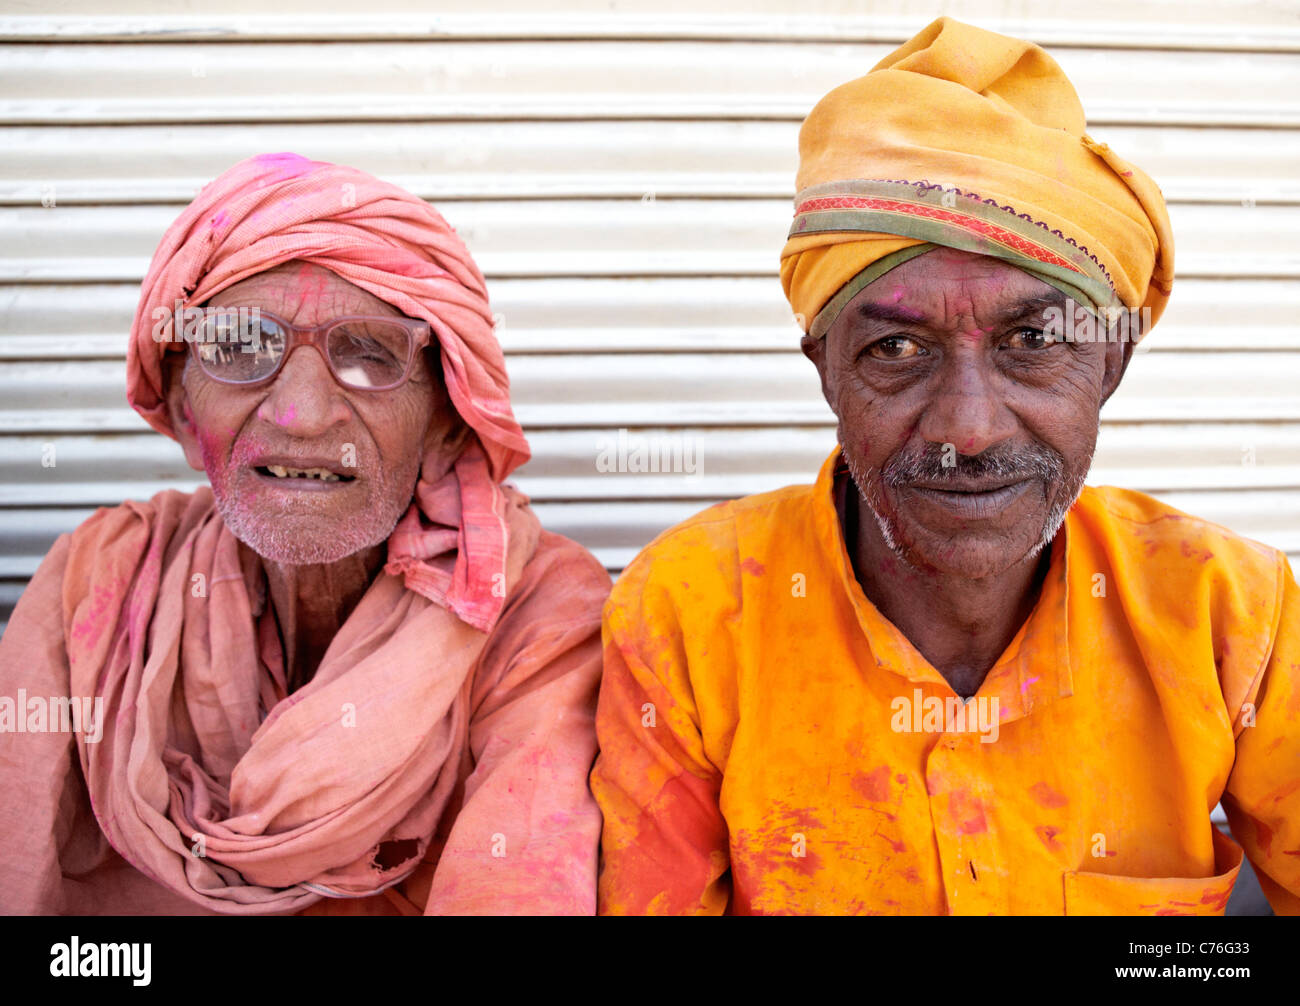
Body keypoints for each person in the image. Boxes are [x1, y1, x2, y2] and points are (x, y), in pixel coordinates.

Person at [591, 18, 1300, 915]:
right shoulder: (691, 611)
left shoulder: (1229, 611)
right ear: (826, 370)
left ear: (1111, 363)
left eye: (1033, 340)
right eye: (895, 346)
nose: (967, 429)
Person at [0, 153, 611, 915]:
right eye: (237, 346)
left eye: (369, 354)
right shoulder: (97, 582)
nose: (301, 414)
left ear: (445, 428)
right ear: (187, 416)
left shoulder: (538, 615)